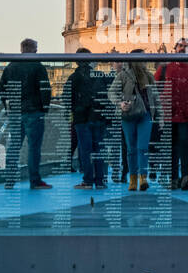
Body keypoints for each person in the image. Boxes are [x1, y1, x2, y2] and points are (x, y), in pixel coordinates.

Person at [0, 38, 52, 189]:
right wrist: (45, 108)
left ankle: (9, 181)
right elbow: (45, 89)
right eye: (36, 49)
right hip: (34, 112)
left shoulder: (10, 67)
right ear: (34, 50)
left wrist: (7, 106)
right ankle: (34, 181)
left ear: (21, 49)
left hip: (15, 112)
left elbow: (2, 89)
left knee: (14, 146)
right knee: (34, 147)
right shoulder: (37, 66)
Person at [154, 38, 188, 189]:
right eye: (180, 46)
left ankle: (185, 177)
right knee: (171, 148)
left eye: (186, 46)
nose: (182, 48)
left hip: (187, 116)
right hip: (169, 114)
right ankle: (173, 178)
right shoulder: (164, 69)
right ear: (175, 48)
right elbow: (154, 88)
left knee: (186, 147)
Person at [109, 50, 158, 192]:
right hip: (128, 115)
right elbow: (111, 92)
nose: (145, 61)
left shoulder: (149, 76)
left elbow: (155, 97)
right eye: (143, 58)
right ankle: (133, 179)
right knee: (131, 149)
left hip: (145, 114)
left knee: (142, 147)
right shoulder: (123, 76)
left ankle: (143, 178)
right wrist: (120, 103)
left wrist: (160, 116)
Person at [67, 48, 112, 189]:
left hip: (82, 119)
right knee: (99, 149)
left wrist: (74, 112)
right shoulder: (100, 76)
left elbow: (68, 99)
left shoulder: (74, 78)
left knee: (86, 150)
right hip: (99, 118)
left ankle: (87, 180)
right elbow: (107, 96)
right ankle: (100, 181)